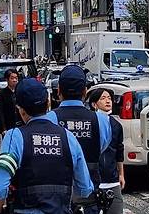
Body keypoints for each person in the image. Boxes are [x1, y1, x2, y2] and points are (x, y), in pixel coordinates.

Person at [0, 78, 93, 214]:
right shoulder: (68, 137)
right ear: (48, 102)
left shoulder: (14, 136)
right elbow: (84, 188)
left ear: (20, 109)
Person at [47, 65, 113, 214]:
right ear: (85, 92)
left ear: (58, 91)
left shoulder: (49, 119)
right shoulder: (102, 120)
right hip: (91, 198)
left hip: (58, 200)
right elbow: (102, 147)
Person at [89, 88, 125, 214]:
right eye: (103, 98)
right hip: (92, 180)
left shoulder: (116, 125)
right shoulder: (89, 123)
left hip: (112, 179)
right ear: (94, 104)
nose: (107, 101)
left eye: (109, 98)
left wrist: (121, 174)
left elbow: (119, 152)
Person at [0, 69, 22, 135]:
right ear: (7, 79)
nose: (14, 80)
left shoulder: (20, 92)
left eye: (16, 78)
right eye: (12, 78)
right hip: (9, 124)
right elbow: (0, 111)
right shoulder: (2, 93)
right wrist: (3, 128)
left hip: (20, 124)